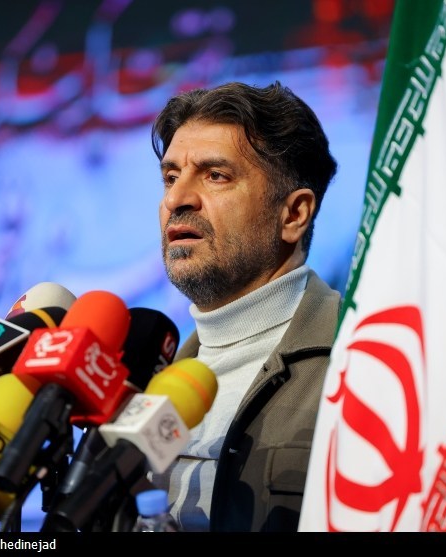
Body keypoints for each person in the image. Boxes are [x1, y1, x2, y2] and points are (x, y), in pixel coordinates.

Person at [148, 81, 341, 532]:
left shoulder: (354, 361)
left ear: (293, 214)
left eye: (216, 175)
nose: (176, 199)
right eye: (171, 177)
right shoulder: (154, 380)